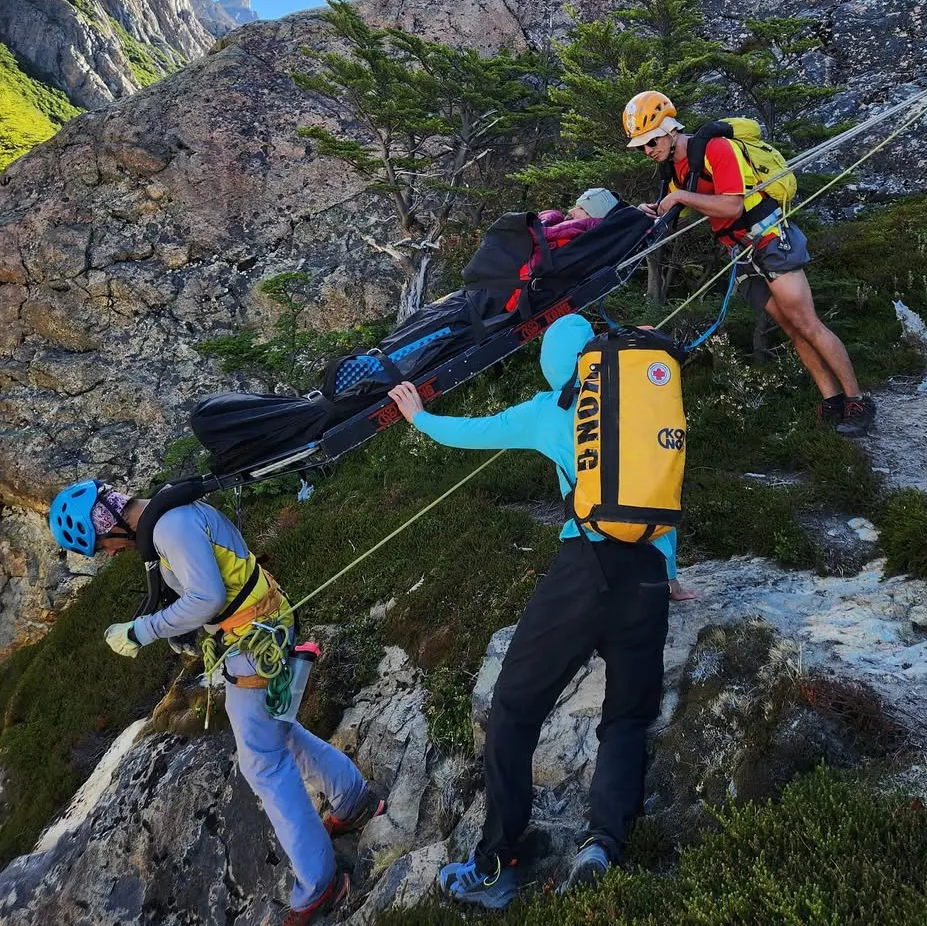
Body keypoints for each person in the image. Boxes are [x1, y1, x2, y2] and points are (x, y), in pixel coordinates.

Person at [388, 313, 691, 909]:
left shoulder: (548, 409)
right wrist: (670, 574)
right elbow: (666, 493)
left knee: (515, 709)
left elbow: (470, 432)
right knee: (627, 718)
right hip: (648, 576)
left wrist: (418, 415)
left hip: (584, 572)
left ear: (554, 363)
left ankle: (495, 864)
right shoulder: (643, 404)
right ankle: (602, 842)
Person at [47, 480, 384, 926]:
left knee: (262, 762)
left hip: (254, 642)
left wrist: (140, 631)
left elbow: (207, 598)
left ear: (105, 523)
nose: (109, 552)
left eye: (101, 543)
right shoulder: (171, 519)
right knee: (275, 733)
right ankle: (353, 800)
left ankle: (319, 884)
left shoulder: (170, 526)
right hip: (259, 630)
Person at [622, 90, 875, 438]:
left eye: (651, 142)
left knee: (807, 322)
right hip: (740, 252)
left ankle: (857, 401)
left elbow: (732, 207)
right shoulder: (674, 170)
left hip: (769, 239)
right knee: (790, 327)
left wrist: (678, 197)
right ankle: (831, 401)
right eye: (642, 147)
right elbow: (691, 213)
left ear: (669, 129)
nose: (649, 151)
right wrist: (655, 213)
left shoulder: (715, 149)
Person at [506, 188, 619, 312]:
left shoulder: (575, 237)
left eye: (581, 209)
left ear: (594, 217)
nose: (571, 211)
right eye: (576, 206)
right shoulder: (564, 230)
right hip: (509, 290)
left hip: (510, 296)